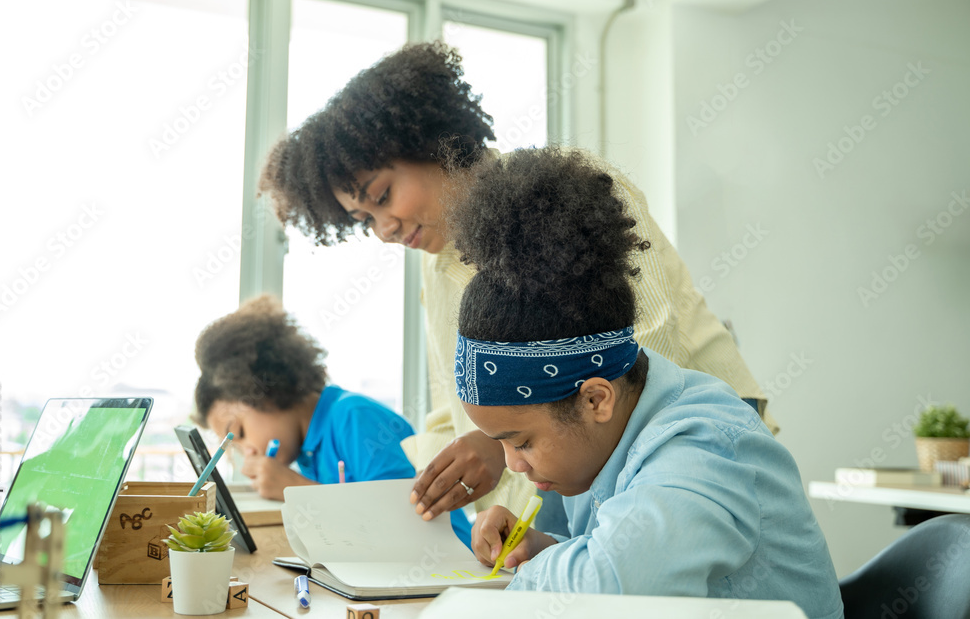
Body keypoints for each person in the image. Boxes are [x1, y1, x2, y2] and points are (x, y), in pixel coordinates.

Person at [259, 41, 776, 527]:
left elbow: (638, 362)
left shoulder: (573, 195)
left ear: (437, 143)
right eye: (363, 219)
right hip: (576, 495)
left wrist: (497, 442)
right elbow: (454, 403)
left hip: (693, 454)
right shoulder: (436, 266)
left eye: (383, 195)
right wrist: (438, 488)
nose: (384, 229)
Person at [447, 146, 843, 617]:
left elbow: (611, 586)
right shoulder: (607, 442)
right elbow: (609, 556)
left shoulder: (704, 447)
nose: (513, 465)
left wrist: (542, 568)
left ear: (595, 399)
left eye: (523, 441)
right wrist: (539, 546)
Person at [191, 294, 473, 545]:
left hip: (451, 573)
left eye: (239, 433)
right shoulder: (308, 451)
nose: (248, 451)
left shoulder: (354, 417)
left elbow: (404, 521)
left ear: (264, 389)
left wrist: (295, 488)